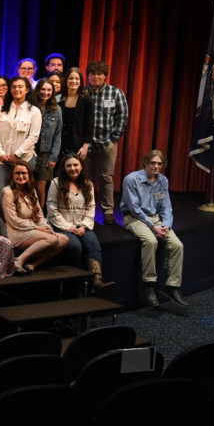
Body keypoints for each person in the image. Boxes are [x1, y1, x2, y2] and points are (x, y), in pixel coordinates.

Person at [121, 150, 186, 307]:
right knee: (151, 241)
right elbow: (134, 209)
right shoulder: (132, 179)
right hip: (135, 218)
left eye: (159, 164)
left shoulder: (162, 180)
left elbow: (166, 206)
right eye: (153, 163)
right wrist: (152, 227)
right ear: (145, 164)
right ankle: (149, 285)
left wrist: (166, 225)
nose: (156, 166)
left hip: (156, 219)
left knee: (178, 245)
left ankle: (172, 287)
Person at [47, 154, 112, 290]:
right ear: (64, 168)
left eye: (75, 165)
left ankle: (96, 281)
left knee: (93, 243)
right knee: (76, 246)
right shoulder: (55, 183)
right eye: (69, 165)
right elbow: (52, 209)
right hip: (61, 226)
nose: (72, 168)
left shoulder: (88, 184)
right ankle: (74, 283)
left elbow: (91, 208)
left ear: (81, 166)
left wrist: (83, 226)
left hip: (81, 225)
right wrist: (69, 227)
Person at [1, 160, 68, 274]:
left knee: (64, 240)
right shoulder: (7, 192)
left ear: (29, 175)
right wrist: (37, 228)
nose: (21, 176)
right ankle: (18, 261)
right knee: (51, 239)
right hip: (16, 231)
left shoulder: (31, 190)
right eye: (17, 173)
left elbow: (39, 215)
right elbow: (13, 221)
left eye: (24, 173)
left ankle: (32, 265)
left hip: (33, 228)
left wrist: (46, 227)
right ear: (12, 175)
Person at [85, 61, 128, 224]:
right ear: (88, 76)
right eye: (92, 74)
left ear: (105, 76)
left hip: (108, 143)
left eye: (99, 74)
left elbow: (122, 117)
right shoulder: (82, 93)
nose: (96, 77)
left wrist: (114, 139)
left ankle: (108, 211)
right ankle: (86, 210)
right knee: (85, 178)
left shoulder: (115, 93)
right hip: (86, 144)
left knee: (106, 177)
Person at [0, 77, 42, 193]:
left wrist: (17, 154)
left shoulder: (34, 111)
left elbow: (34, 136)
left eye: (20, 87)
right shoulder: (1, 110)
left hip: (25, 160)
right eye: (14, 87)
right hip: (1, 160)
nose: (17, 89)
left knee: (22, 193)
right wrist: (1, 153)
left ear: (27, 90)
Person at [34, 80, 63, 205]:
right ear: (38, 90)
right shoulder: (31, 106)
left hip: (46, 154)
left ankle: (39, 215)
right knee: (27, 186)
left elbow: (58, 135)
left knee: (41, 188)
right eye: (43, 89)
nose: (45, 93)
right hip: (29, 151)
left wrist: (53, 157)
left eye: (49, 90)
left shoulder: (56, 110)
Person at [58, 67, 94, 160]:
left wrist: (85, 146)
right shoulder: (59, 99)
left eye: (77, 79)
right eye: (71, 78)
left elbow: (89, 126)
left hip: (78, 145)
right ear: (66, 80)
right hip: (60, 144)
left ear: (81, 82)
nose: (74, 81)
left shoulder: (87, 100)